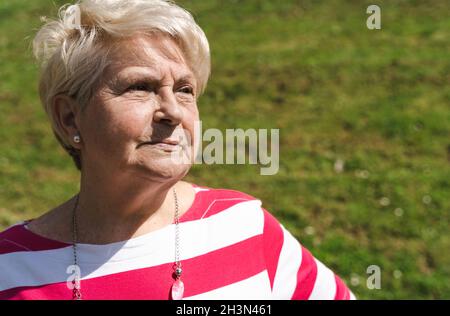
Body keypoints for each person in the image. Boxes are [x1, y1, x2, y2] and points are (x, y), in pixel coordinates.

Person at [0, 0, 355, 300]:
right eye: (141, 86)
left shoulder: (243, 226)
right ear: (70, 119)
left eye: (185, 90)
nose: (173, 111)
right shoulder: (11, 269)